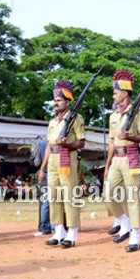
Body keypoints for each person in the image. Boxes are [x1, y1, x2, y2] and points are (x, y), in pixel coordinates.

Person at [103, 70, 140, 252]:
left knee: (133, 198)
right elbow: (113, 142)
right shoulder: (113, 116)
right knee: (108, 194)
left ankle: (136, 235)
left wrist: (131, 137)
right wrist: (107, 165)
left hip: (131, 157)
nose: (113, 96)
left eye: (115, 93)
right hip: (117, 159)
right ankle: (124, 222)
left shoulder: (137, 112)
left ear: (124, 93)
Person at [39, 80, 85, 247]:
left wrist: (67, 144)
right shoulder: (53, 122)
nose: (56, 103)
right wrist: (42, 168)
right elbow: (49, 147)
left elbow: (81, 143)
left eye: (59, 100)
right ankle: (58, 232)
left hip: (67, 158)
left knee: (69, 196)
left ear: (67, 101)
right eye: (55, 100)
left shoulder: (76, 119)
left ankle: (72, 233)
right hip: (52, 160)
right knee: (53, 196)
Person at [37, 138, 52, 236]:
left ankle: (43, 226)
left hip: (43, 173)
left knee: (44, 202)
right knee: (48, 202)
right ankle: (46, 226)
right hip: (51, 172)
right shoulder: (54, 142)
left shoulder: (40, 143)